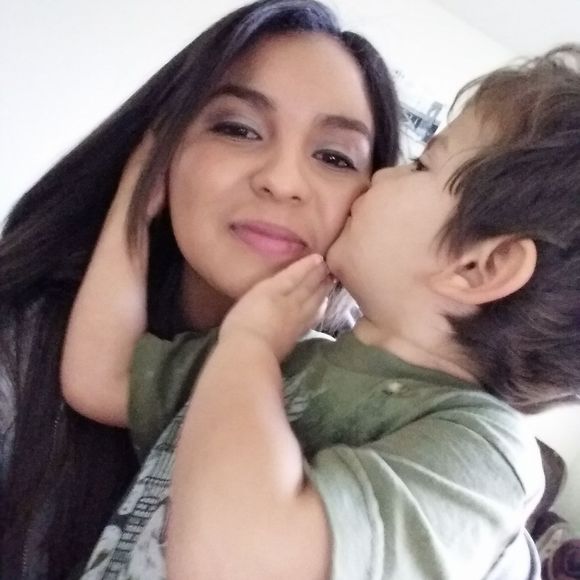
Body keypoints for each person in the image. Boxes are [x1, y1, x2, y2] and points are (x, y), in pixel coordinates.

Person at [66, 45, 580, 578]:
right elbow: (101, 376)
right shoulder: (296, 356)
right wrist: (133, 204)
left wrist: (248, 347)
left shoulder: (484, 453)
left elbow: (237, 561)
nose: (380, 176)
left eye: (422, 165)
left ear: (480, 267)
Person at [0, 0, 401, 577]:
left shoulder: (382, 410)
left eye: (335, 157)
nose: (283, 181)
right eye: (238, 129)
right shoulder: (24, 343)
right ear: (161, 153)